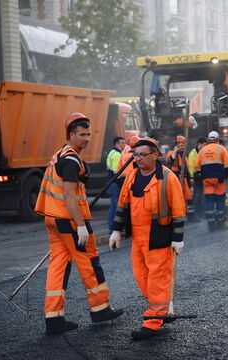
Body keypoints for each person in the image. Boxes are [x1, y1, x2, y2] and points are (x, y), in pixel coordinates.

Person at [34, 112, 123, 335]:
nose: (87, 138)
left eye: (89, 134)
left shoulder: (60, 155)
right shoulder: (71, 160)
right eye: (82, 134)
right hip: (70, 221)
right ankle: (100, 308)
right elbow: (69, 195)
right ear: (71, 135)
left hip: (53, 219)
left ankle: (53, 319)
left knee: (58, 266)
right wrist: (81, 225)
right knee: (89, 262)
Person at [109, 137, 186, 339]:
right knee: (141, 276)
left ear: (155, 155)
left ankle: (153, 321)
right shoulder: (132, 175)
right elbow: (122, 204)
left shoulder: (168, 178)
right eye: (136, 155)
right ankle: (160, 309)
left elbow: (178, 210)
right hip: (138, 237)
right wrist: (116, 230)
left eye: (143, 155)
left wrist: (178, 238)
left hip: (159, 236)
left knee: (157, 279)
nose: (138, 159)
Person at [195, 131, 228, 231]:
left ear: (208, 140)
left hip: (207, 181)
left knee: (209, 202)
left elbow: (197, 167)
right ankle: (220, 224)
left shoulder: (202, 151)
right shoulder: (222, 149)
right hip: (219, 180)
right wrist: (225, 177)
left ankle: (211, 225)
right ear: (217, 139)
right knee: (220, 201)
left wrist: (202, 176)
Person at [166, 135, 196, 221]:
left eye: (184, 145)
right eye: (181, 145)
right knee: (178, 199)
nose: (183, 147)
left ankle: (191, 217)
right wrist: (175, 151)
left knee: (189, 198)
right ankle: (181, 216)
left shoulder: (183, 155)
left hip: (184, 180)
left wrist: (190, 180)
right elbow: (169, 162)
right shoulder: (171, 153)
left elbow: (186, 169)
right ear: (176, 144)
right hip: (176, 179)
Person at [106, 136, 126, 232]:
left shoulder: (111, 153)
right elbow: (117, 172)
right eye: (122, 143)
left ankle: (112, 228)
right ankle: (113, 229)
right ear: (117, 144)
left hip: (110, 182)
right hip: (115, 183)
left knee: (112, 206)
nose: (124, 145)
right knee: (115, 207)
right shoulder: (117, 154)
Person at [188, 137, 208, 218]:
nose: (205, 147)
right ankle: (196, 213)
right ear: (199, 144)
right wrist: (192, 178)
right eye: (204, 145)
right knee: (196, 196)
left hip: (201, 178)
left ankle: (201, 212)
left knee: (202, 196)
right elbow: (191, 167)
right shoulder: (193, 153)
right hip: (195, 178)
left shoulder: (202, 152)